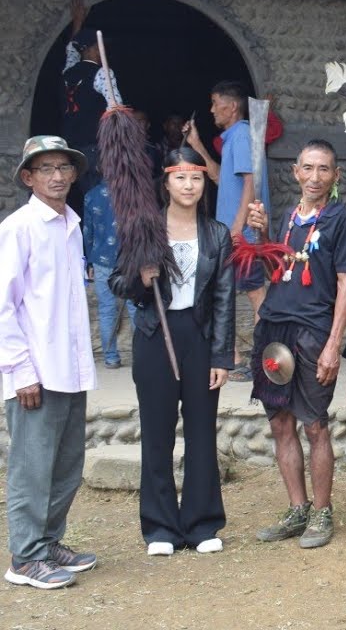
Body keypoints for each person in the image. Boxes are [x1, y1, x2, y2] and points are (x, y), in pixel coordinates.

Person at [108, 147, 235, 556]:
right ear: (166, 183)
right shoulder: (144, 231)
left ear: (204, 183)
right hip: (153, 334)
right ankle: (160, 527)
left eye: (196, 177)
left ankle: (201, 524)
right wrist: (141, 280)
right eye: (180, 177)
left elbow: (224, 299)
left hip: (197, 335)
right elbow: (116, 283)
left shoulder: (217, 233)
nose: (188, 185)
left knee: (201, 432)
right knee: (157, 432)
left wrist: (221, 357)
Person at [246, 140, 346, 550]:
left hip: (312, 333)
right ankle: (297, 508)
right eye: (308, 168)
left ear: (335, 176)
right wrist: (261, 237)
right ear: (295, 172)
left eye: (323, 169)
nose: (315, 177)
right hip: (274, 329)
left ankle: (323, 512)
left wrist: (333, 345)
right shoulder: (286, 217)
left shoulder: (340, 220)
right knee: (279, 422)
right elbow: (275, 270)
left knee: (314, 424)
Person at [1, 136, 98, 590]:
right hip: (35, 372)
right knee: (32, 467)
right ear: (28, 177)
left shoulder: (71, 224)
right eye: (45, 169)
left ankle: (48, 541)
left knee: (66, 465)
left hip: (69, 368)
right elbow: (4, 307)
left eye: (63, 168)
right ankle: (24, 557)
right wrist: (21, 371)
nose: (57, 176)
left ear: (74, 174)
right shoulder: (19, 228)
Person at [185, 81, 270, 382]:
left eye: (214, 103)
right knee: (227, 293)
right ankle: (233, 357)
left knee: (255, 293)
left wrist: (238, 228)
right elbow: (221, 177)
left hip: (242, 236)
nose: (210, 110)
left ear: (231, 106)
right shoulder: (234, 137)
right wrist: (196, 146)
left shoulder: (243, 135)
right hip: (233, 235)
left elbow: (250, 181)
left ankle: (261, 359)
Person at [59, 0, 120, 216]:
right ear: (91, 49)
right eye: (97, 46)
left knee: (69, 200)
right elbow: (116, 110)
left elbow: (72, 50)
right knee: (99, 204)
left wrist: (78, 22)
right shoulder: (103, 73)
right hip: (95, 150)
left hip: (68, 149)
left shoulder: (68, 73)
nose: (100, 50)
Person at [83, 162, 137, 369]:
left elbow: (87, 232)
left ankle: (111, 358)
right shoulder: (132, 195)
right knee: (134, 308)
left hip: (101, 259)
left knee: (106, 310)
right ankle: (139, 357)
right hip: (129, 259)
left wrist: (88, 260)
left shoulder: (91, 195)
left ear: (99, 169)